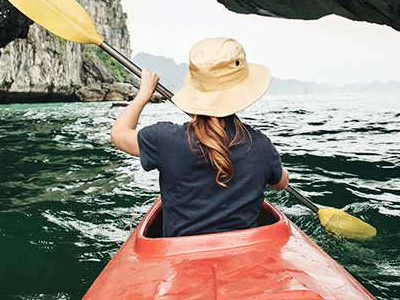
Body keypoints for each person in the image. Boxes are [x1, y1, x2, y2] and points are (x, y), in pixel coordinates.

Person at [110, 37, 289, 237]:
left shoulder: (164, 139)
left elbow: (119, 134)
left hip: (179, 257)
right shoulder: (262, 147)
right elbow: (280, 183)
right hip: (241, 255)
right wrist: (274, 168)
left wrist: (144, 94)